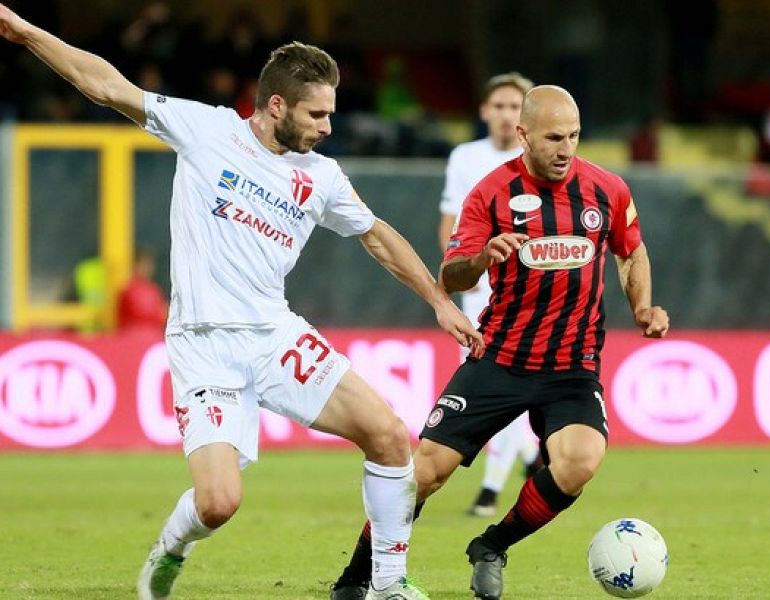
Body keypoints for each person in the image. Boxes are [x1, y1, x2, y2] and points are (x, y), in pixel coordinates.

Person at [0, 6, 484, 600]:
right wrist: (24, 31)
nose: (329, 126)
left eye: (330, 112)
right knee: (219, 502)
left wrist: (439, 301)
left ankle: (386, 584)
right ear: (276, 105)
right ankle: (170, 549)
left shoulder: (321, 176)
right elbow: (105, 84)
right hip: (204, 344)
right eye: (317, 113)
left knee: (387, 434)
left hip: (274, 335)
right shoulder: (205, 130)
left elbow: (377, 236)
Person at [330, 84, 669, 600]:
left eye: (574, 136)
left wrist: (642, 306)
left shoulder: (607, 190)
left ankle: (491, 545)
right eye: (554, 137)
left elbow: (631, 251)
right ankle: (354, 579)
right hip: (500, 359)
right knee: (422, 473)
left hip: (571, 368)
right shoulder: (490, 193)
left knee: (579, 460)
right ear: (523, 133)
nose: (566, 148)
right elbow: (451, 277)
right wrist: (484, 258)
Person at [438, 72, 541, 518]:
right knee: (492, 383)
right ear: (484, 111)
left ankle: (490, 487)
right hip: (478, 290)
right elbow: (451, 218)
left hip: (526, 292)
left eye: (514, 107)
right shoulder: (465, 157)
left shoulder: (538, 158)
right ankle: (530, 457)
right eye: (498, 106)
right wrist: (455, 272)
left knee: (508, 382)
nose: (505, 115)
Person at [117, 247, 168, 334]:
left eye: (149, 265)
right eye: (144, 264)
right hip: (134, 340)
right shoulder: (130, 290)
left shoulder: (153, 289)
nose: (148, 268)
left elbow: (163, 314)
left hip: (154, 338)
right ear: (135, 265)